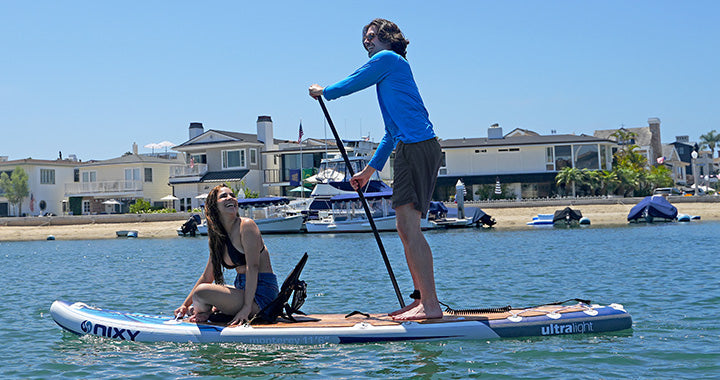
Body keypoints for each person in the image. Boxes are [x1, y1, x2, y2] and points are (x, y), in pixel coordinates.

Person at [309, 18, 443, 320]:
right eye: (364, 38)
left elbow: (353, 81)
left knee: (410, 227)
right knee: (403, 228)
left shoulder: (388, 60)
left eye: (371, 36)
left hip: (418, 146)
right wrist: (370, 171)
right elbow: (391, 131)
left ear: (387, 38)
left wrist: (325, 91)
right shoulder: (389, 75)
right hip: (409, 147)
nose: (366, 42)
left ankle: (431, 305)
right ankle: (421, 299)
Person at [174, 184, 279, 325]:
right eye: (224, 196)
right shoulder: (218, 237)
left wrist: (246, 308)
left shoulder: (246, 226)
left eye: (232, 195)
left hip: (261, 298)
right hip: (244, 291)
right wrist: (184, 305)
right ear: (214, 206)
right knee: (203, 293)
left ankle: (205, 312)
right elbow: (207, 277)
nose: (230, 198)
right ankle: (203, 311)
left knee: (201, 293)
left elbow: (252, 267)